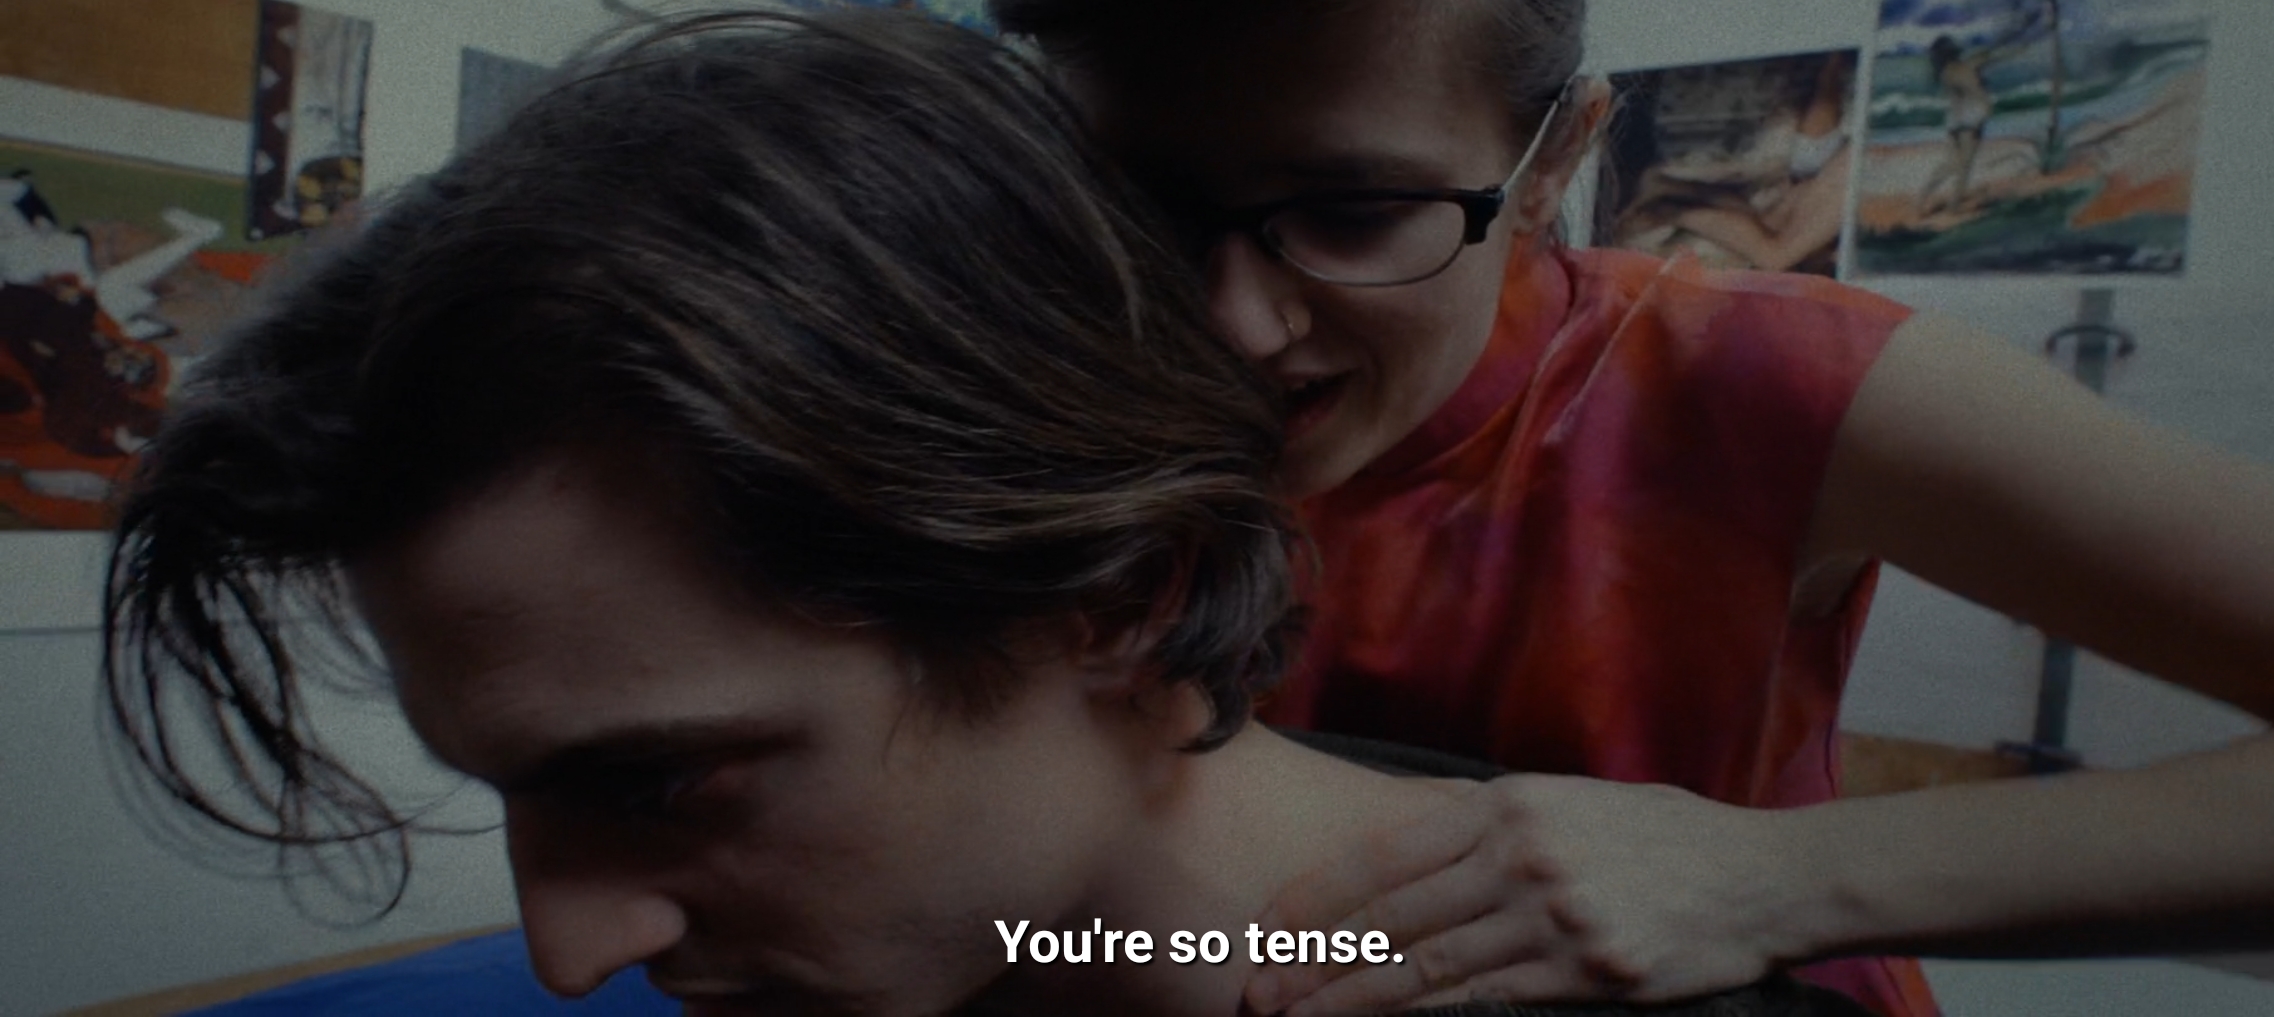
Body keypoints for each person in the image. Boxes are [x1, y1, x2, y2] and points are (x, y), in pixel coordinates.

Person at [100, 11, 1880, 1017]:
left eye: (663, 779)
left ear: (1119, 595)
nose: (575, 952)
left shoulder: (1749, 374)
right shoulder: (1016, 930)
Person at [984, 2, 2274, 1016]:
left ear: (1555, 159)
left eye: (1354, 212)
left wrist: (1781, 877)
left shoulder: (1751, 378)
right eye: (1139, 207)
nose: (1231, 325)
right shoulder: (1033, 367)